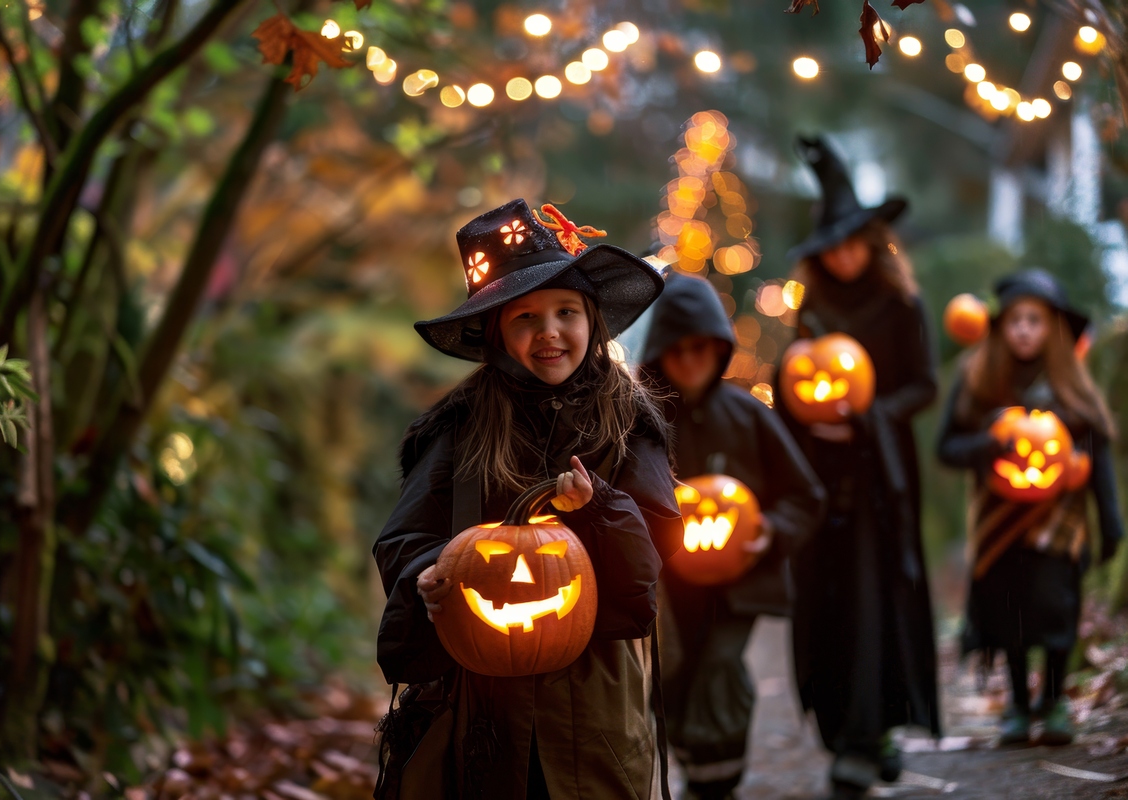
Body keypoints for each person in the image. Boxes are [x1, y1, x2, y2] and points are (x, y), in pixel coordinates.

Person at [372, 198, 683, 800]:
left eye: (566, 311)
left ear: (592, 319)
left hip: (597, 693)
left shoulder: (627, 421)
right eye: (525, 318)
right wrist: (423, 572)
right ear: (496, 333)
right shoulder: (459, 427)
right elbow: (403, 537)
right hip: (479, 694)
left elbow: (654, 547)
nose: (549, 333)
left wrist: (598, 508)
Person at [779, 136, 941, 798]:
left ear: (874, 243)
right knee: (830, 598)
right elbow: (794, 386)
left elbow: (922, 387)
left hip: (882, 477)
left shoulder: (902, 306)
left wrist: (871, 414)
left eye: (855, 243)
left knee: (880, 598)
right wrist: (805, 414)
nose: (844, 256)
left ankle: (873, 732)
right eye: (833, 247)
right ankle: (849, 725)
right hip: (823, 475)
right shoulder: (811, 312)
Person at [639, 273, 826, 799]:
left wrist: (770, 531)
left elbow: (805, 495)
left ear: (718, 348)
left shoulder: (747, 415)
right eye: (679, 350)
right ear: (661, 352)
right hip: (670, 590)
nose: (691, 360)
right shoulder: (643, 421)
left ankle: (719, 780)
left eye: (702, 347)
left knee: (720, 668)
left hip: (740, 580)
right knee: (675, 677)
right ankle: (698, 767)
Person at [937, 269, 1122, 746]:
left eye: (1035, 321)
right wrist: (989, 445)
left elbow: (1097, 453)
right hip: (999, 520)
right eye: (1016, 320)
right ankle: (1018, 705)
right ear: (1000, 327)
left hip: (1061, 522)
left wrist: (1111, 521)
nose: (1024, 330)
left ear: (1053, 328)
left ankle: (1055, 701)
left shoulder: (1072, 384)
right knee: (1009, 611)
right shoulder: (978, 378)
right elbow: (947, 447)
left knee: (1057, 606)